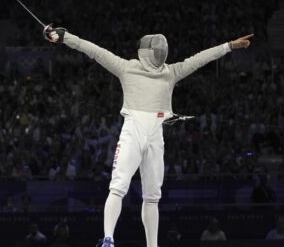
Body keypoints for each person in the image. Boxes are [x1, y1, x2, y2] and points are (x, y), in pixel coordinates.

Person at [46, 27, 252, 247]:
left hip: (155, 137)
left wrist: (229, 46)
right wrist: (64, 37)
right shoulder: (130, 69)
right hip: (133, 132)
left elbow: (200, 59)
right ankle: (108, 239)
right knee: (118, 187)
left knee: (152, 196)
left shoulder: (168, 72)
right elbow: (93, 50)